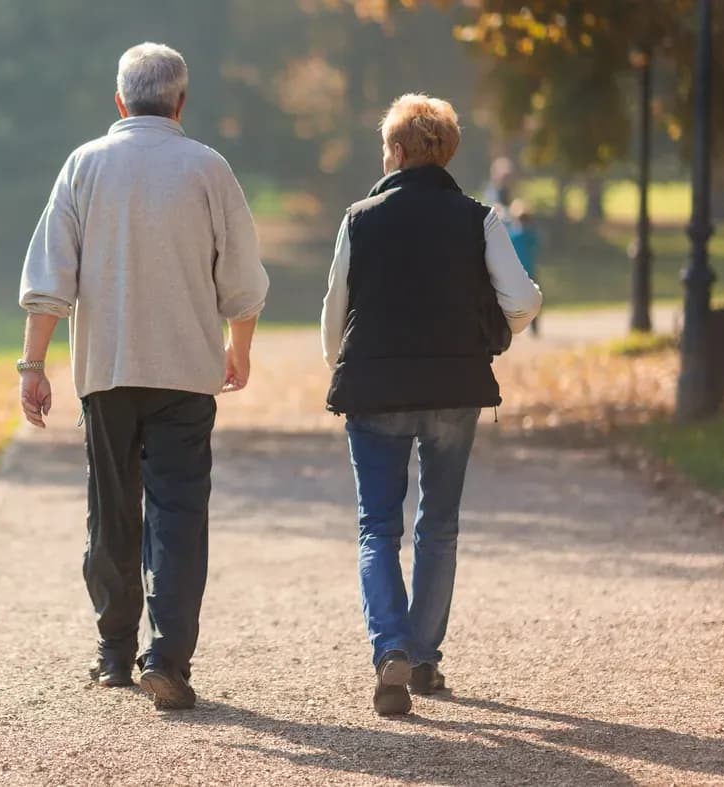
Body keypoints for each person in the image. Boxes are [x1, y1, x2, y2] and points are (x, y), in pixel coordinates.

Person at [17, 42, 270, 711]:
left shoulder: (85, 166)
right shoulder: (208, 169)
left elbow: (50, 280)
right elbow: (243, 281)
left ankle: (113, 652)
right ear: (181, 101)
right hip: (186, 373)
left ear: (121, 100)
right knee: (180, 516)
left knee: (111, 513)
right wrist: (237, 348)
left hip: (107, 373)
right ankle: (169, 656)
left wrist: (33, 364)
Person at [320, 94, 542, 716]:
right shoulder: (479, 218)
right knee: (438, 526)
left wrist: (343, 363)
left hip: (375, 390)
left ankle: (389, 645)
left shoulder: (359, 218)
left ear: (394, 151)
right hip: (454, 389)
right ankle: (423, 658)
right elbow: (521, 301)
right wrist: (498, 330)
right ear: (447, 152)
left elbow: (334, 315)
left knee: (377, 528)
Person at [506, 199, 541, 337]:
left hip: (517, 272)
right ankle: (534, 329)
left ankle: (512, 328)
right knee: (533, 299)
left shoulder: (514, 234)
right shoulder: (531, 234)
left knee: (512, 301)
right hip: (529, 270)